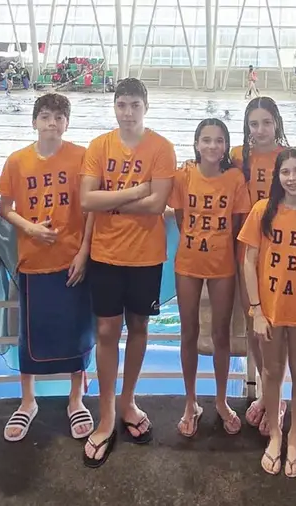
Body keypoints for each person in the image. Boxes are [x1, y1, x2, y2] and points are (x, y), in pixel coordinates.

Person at [78, 78, 175, 468]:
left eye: (135, 105)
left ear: (146, 107)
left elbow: (158, 207)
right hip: (105, 255)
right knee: (105, 332)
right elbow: (87, 199)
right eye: (122, 105)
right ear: (114, 108)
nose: (128, 112)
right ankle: (104, 417)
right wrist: (137, 191)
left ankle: (128, 401)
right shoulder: (99, 146)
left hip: (145, 257)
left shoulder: (162, 148)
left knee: (139, 328)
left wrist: (110, 202)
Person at [0, 93, 95, 442]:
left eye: (59, 117)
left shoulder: (82, 157)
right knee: (30, 335)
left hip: (72, 260)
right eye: (46, 116)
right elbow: (4, 207)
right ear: (34, 121)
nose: (52, 123)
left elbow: (92, 208)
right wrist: (31, 228)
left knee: (77, 331)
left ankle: (75, 399)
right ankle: (27, 401)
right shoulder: (17, 161)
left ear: (67, 123)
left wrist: (84, 252)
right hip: (33, 261)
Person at [238, 148, 296, 478]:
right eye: (286, 172)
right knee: (272, 373)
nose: (292, 178)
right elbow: (249, 261)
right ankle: (275, 436)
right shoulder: (263, 211)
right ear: (277, 177)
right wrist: (257, 310)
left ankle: (294, 438)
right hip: (271, 312)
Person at [170, 118, 251, 438]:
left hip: (223, 266)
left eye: (219, 140)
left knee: (221, 335)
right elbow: (179, 217)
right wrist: (195, 243)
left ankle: (220, 400)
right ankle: (190, 402)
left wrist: (218, 251)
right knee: (188, 332)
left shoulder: (234, 179)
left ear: (226, 145)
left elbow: (236, 224)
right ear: (196, 144)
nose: (213, 146)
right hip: (188, 264)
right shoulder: (183, 176)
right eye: (206, 140)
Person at [230, 96, 290, 438]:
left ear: (277, 123)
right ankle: (268, 396)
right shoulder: (240, 157)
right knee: (256, 325)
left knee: (278, 329)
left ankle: (276, 399)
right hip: (247, 252)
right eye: (254, 124)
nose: (260, 130)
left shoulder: (290, 156)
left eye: (266, 122)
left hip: (282, 255)